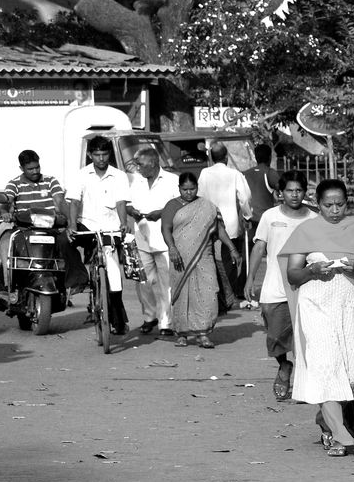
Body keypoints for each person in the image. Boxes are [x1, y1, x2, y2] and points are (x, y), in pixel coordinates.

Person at [280, 179, 354, 457]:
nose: (334, 210)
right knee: (326, 367)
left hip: (349, 306)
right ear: (318, 203)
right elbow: (293, 274)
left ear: (348, 203)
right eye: (328, 205)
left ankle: (325, 421)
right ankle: (340, 435)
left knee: (348, 375)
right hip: (315, 305)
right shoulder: (306, 230)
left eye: (340, 204)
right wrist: (312, 270)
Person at [243, 171, 316, 401]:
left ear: (305, 192)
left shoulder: (314, 219)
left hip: (307, 286)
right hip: (274, 287)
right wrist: (250, 278)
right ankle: (284, 366)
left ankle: (307, 385)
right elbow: (258, 248)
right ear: (280, 193)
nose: (294, 195)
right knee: (275, 336)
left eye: (299, 190)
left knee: (307, 340)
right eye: (289, 191)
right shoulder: (269, 216)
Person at [161, 172, 240, 349]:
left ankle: (203, 334)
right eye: (185, 189)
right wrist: (172, 248)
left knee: (208, 292)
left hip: (204, 255)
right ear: (179, 188)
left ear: (197, 187)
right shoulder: (171, 206)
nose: (189, 193)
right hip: (179, 256)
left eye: (192, 189)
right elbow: (166, 229)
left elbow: (219, 230)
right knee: (183, 294)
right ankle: (182, 333)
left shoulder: (207, 206)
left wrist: (232, 248)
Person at [0, 150, 86, 299]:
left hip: (50, 228)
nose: (35, 171)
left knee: (67, 243)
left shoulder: (50, 181)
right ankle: (8, 286)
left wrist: (70, 221)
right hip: (24, 229)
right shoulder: (15, 184)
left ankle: (70, 282)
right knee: (6, 242)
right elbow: (7, 200)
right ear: (21, 169)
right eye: (30, 169)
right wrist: (5, 212)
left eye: (37, 167)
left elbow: (60, 202)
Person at [67, 136, 131, 335]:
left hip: (110, 228)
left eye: (104, 154)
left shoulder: (119, 176)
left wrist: (123, 223)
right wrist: (71, 225)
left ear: (109, 154)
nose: (101, 158)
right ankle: (78, 277)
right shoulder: (81, 175)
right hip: (87, 225)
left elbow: (121, 203)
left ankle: (118, 318)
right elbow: (74, 203)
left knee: (113, 273)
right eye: (97, 155)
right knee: (63, 240)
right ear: (89, 155)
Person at [126, 147, 180, 337]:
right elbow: (127, 203)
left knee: (166, 282)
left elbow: (181, 205)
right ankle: (150, 316)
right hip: (142, 236)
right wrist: (131, 211)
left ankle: (166, 322)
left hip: (165, 238)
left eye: (141, 164)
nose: (138, 168)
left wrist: (162, 213)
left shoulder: (172, 181)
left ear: (153, 163)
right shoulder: (136, 181)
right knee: (144, 281)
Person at [198, 141, 252, 310]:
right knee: (228, 259)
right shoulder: (234, 174)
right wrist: (247, 216)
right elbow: (245, 197)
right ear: (226, 157)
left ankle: (217, 296)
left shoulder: (204, 173)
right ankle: (227, 296)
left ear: (212, 158)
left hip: (207, 221)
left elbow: (198, 196)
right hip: (229, 223)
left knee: (210, 258)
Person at [242, 143, 281, 231]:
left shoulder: (245, 174)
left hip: (250, 218)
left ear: (255, 158)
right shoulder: (270, 173)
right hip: (266, 218)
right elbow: (284, 189)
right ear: (270, 157)